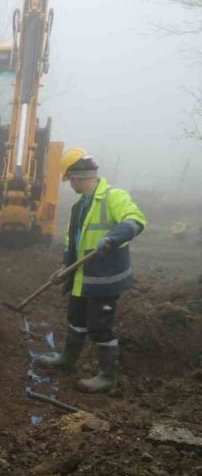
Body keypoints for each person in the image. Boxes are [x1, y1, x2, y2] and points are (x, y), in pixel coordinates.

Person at [39, 148, 146, 393]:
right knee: (76, 320)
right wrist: (65, 266)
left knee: (99, 327)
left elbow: (135, 220)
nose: (70, 185)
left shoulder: (113, 197)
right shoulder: (80, 206)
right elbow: (72, 241)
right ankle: (67, 361)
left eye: (69, 180)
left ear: (77, 177)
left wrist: (113, 237)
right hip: (81, 277)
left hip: (104, 278)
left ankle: (108, 376)